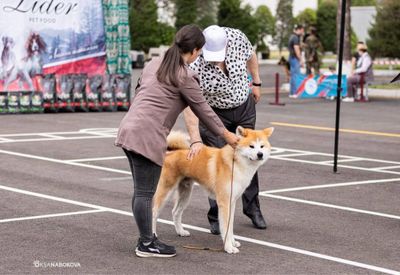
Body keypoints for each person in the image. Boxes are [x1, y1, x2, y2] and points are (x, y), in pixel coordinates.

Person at [115, 25, 239, 258]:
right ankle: (146, 243)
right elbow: (203, 110)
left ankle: (146, 240)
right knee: (144, 192)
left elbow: (141, 89)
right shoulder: (185, 75)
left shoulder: (155, 62)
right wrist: (227, 136)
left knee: (140, 192)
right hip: (147, 136)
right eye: (200, 52)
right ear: (193, 51)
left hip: (128, 128)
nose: (199, 56)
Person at [184, 25, 267, 236]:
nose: (215, 61)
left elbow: (251, 56)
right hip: (214, 114)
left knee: (250, 157)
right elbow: (190, 105)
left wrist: (256, 81)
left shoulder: (237, 37)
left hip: (244, 106)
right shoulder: (194, 63)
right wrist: (195, 139)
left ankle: (252, 208)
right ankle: (215, 216)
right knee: (217, 164)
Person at [288, 24, 305, 98]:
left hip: (291, 57)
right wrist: (301, 60)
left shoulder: (292, 36)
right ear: (300, 29)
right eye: (303, 30)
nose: (303, 32)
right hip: (294, 58)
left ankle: (292, 93)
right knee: (295, 75)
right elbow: (296, 49)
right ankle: (294, 93)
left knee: (292, 75)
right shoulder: (296, 38)